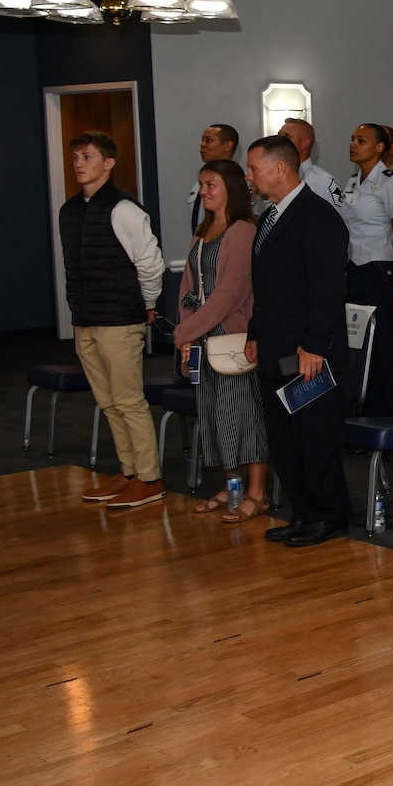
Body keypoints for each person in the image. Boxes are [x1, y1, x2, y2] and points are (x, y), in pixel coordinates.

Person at [243, 135, 351, 546]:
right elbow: (269, 287)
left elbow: (327, 289)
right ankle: (303, 512)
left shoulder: (318, 217)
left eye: (254, 168)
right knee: (285, 440)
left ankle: (329, 515)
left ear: (279, 169)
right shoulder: (271, 217)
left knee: (314, 437)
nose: (249, 176)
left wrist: (316, 346)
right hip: (276, 349)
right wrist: (255, 332)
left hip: (308, 354)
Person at [64, 132, 166, 511]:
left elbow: (150, 262)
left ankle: (150, 478)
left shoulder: (123, 208)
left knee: (128, 399)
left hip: (119, 319)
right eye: (75, 157)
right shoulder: (70, 210)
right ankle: (129, 472)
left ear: (108, 163)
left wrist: (148, 303)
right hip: (85, 318)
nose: (78, 163)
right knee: (107, 402)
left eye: (87, 156)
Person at [175, 158, 268, 522]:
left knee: (244, 415)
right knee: (215, 416)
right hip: (201, 337)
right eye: (201, 184)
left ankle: (257, 494)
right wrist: (187, 334)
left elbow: (229, 295)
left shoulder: (243, 230)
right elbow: (188, 287)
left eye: (211, 184)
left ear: (231, 188)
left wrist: (186, 331)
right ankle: (231, 487)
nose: (204, 191)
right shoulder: (203, 232)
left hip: (232, 337)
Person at [342, 123, 393, 415]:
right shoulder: (352, 182)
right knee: (359, 345)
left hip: (382, 271)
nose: (353, 144)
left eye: (362, 140)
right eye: (353, 139)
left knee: (386, 349)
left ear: (380, 147)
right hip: (355, 271)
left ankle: (388, 415)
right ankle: (363, 414)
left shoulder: (390, 183)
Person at [281, 117, 341, 209]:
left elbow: (337, 220)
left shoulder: (324, 183)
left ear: (304, 143)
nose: (279, 140)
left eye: (287, 136)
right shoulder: (275, 179)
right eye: (279, 135)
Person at [190, 123, 238, 231]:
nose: (202, 145)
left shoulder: (239, 181)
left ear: (227, 145)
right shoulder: (199, 183)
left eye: (209, 140)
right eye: (202, 140)